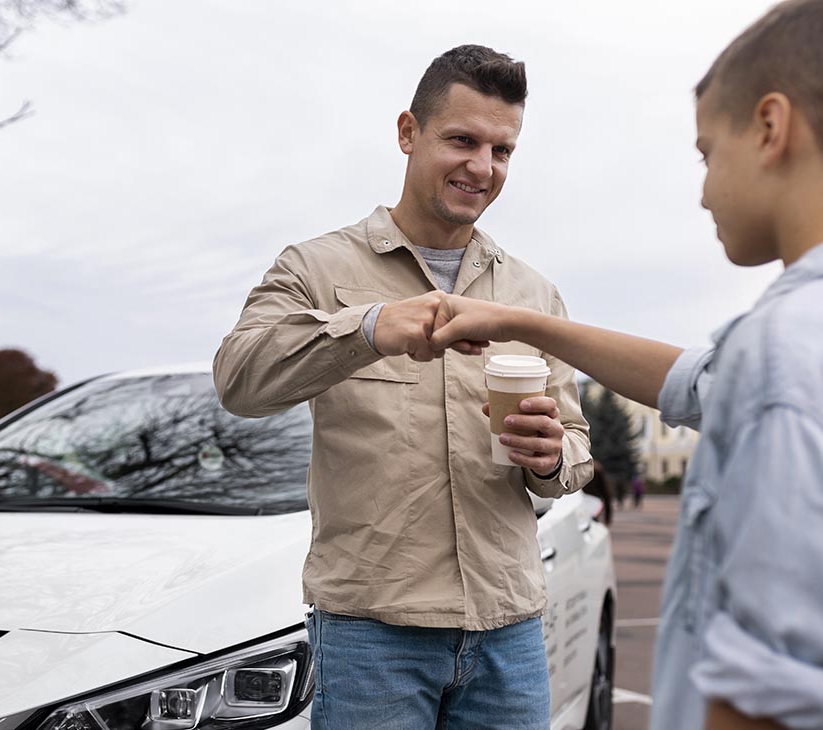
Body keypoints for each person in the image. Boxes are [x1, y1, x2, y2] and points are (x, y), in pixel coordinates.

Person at [428, 2, 823, 729]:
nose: (701, 189)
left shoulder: (788, 355)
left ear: (770, 128)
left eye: (706, 152)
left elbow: (770, 700)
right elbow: (699, 380)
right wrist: (515, 319)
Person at [213, 45, 593, 729]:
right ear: (408, 133)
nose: (482, 166)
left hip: (508, 630)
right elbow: (239, 379)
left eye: (501, 149)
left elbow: (576, 451)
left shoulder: (533, 295)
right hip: (372, 638)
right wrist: (369, 328)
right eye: (462, 140)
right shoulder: (315, 268)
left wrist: (551, 456)